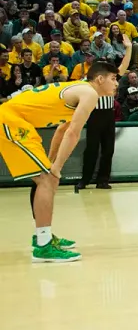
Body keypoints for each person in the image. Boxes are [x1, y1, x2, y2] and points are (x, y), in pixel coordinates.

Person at [0, 63, 120, 262]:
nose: (117, 83)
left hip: (17, 121)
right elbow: (73, 134)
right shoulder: (89, 94)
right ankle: (43, 246)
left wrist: (52, 162)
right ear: (100, 79)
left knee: (48, 179)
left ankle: (43, 236)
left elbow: (61, 131)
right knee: (47, 181)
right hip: (9, 120)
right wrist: (55, 169)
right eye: (114, 79)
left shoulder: (79, 90)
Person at [76, 37, 134, 192]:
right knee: (91, 149)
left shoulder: (110, 79)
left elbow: (124, 66)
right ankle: (85, 179)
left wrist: (128, 48)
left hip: (109, 115)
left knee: (108, 150)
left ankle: (103, 180)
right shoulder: (86, 82)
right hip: (94, 116)